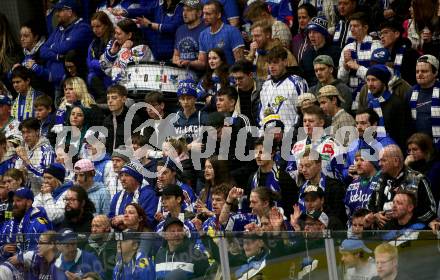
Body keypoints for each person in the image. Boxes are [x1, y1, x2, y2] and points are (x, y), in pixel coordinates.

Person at [367, 145, 436, 228]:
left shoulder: (417, 179)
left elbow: (431, 210)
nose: (379, 164)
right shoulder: (380, 180)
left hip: (409, 233)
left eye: (383, 160)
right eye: (379, 161)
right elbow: (370, 206)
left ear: (396, 161)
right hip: (382, 235)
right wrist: (375, 215)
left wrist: (407, 220)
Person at [36, 0, 93, 92]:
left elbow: (66, 47)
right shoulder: (59, 29)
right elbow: (42, 50)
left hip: (75, 84)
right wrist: (57, 56)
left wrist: (52, 47)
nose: (56, 14)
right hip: (57, 84)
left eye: (59, 11)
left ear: (70, 12)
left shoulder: (83, 28)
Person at [287, 105, 344, 182]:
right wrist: (298, 172)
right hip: (304, 191)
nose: (307, 124)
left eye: (311, 121)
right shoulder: (297, 146)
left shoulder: (334, 145)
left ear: (321, 122)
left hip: (327, 190)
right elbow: (289, 172)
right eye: (305, 121)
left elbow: (342, 173)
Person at [359, 64, 410, 149]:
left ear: (384, 82)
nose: (370, 84)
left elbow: (403, 134)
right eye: (368, 80)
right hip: (369, 150)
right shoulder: (368, 103)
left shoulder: (397, 104)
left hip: (391, 150)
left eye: (374, 80)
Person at [259, 46, 308, 130]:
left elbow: (305, 112)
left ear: (285, 62)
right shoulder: (265, 86)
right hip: (269, 136)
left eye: (275, 62)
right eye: (269, 63)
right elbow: (261, 113)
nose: (271, 66)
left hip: (290, 136)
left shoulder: (298, 83)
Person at [0, 188, 52, 262]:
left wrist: (21, 258)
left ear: (29, 202)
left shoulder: (39, 222)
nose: (14, 204)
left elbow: (47, 249)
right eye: (13, 201)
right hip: (12, 266)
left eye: (18, 201)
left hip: (35, 269)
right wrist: (3, 249)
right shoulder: (11, 222)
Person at [251, 137, 298, 216]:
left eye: (261, 152)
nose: (258, 156)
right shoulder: (252, 178)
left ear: (272, 153)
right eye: (256, 152)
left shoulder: (284, 178)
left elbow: (291, 207)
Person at [337, 12, 382, 94]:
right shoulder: (347, 47)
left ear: (365, 28)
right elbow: (341, 80)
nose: (352, 29)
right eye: (351, 26)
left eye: (356, 26)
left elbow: (378, 77)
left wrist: (357, 67)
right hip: (353, 96)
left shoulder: (376, 46)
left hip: (372, 95)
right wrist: (345, 67)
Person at [344, 108, 395, 180]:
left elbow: (392, 171)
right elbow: (344, 171)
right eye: (357, 123)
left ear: (374, 124)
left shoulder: (387, 145)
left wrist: (367, 175)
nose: (358, 127)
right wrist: (348, 172)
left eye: (363, 123)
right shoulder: (353, 145)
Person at [100, 18, 154, 84]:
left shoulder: (142, 49)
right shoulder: (115, 45)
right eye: (115, 33)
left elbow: (123, 73)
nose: (115, 36)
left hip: (137, 89)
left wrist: (124, 50)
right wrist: (111, 53)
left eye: (118, 34)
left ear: (129, 35)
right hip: (119, 88)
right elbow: (105, 68)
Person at [109, 162, 158, 229]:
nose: (122, 179)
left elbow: (150, 221)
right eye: (121, 175)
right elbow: (110, 217)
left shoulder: (149, 195)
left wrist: (125, 219)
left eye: (126, 175)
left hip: (141, 236)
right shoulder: (117, 197)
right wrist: (115, 223)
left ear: (136, 178)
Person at [406, 55, 440, 150]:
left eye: (424, 71)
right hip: (417, 146)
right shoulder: (410, 92)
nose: (420, 74)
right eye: (417, 71)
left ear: (435, 72)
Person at [197, 0, 244, 66]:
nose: (204, 17)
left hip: (229, 73)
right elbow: (202, 63)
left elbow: (240, 62)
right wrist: (188, 63)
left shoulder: (232, 31)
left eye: (208, 14)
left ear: (219, 15)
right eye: (203, 14)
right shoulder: (203, 34)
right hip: (211, 74)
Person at [15, 118, 55, 194]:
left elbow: (46, 180)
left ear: (37, 132)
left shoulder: (47, 151)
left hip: (40, 196)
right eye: (23, 132)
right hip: (22, 195)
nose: (25, 136)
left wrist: (27, 162)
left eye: (29, 132)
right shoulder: (23, 148)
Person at [301, 16, 341, 87]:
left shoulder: (336, 52)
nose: (311, 35)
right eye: (309, 32)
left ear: (324, 34)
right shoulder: (306, 55)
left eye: (315, 32)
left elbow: (339, 77)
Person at [103, 84, 143, 154]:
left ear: (124, 99)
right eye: (108, 98)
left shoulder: (133, 119)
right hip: (108, 157)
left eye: (114, 98)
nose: (110, 101)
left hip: (127, 158)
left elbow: (136, 145)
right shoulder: (107, 121)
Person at [344, 152, 380, 226]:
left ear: (373, 162)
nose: (358, 163)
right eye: (356, 160)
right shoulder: (352, 185)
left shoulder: (382, 182)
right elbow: (348, 213)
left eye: (362, 160)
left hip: (376, 232)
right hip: (355, 232)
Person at [379, 20, 419, 86]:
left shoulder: (409, 53)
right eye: (381, 34)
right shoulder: (385, 55)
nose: (382, 36)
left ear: (396, 34)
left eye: (385, 32)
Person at [404, 133, 440, 202]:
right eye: (409, 150)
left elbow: (425, 190)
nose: (411, 153)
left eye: (415, 149)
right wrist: (405, 166)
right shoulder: (411, 164)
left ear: (426, 150)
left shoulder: (436, 168)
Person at [87, 11, 114, 102]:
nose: (95, 30)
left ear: (106, 25)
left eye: (98, 26)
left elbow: (112, 64)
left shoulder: (114, 40)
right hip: (98, 78)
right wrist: (97, 64)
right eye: (93, 27)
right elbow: (89, 64)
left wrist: (96, 63)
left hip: (111, 78)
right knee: (91, 77)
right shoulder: (93, 43)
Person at [172, 0, 206, 71]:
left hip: (199, 75)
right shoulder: (180, 30)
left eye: (189, 10)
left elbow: (204, 63)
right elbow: (176, 55)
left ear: (199, 13)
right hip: (181, 72)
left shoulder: (206, 30)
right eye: (184, 10)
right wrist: (177, 61)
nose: (185, 13)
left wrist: (189, 63)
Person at [173, 79, 208, 145]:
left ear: (195, 99)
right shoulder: (175, 119)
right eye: (183, 99)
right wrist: (189, 147)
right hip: (180, 154)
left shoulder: (203, 117)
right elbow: (172, 145)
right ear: (179, 100)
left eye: (189, 98)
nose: (185, 102)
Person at [229, 60, 261, 126]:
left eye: (240, 78)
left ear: (251, 75)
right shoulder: (232, 91)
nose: (237, 82)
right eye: (235, 79)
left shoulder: (263, 89)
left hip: (258, 129)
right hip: (239, 130)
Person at [85, 215, 117, 280]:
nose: (93, 230)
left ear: (108, 228)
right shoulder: (88, 247)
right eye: (92, 226)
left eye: (97, 226)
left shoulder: (116, 244)